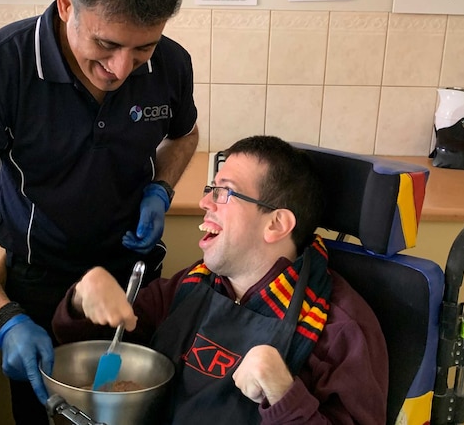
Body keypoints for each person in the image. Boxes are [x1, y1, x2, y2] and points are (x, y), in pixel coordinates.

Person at [0, 0, 198, 422]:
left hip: (134, 281)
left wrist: (161, 187)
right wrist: (3, 317)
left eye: (143, 48)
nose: (120, 69)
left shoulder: (171, 65)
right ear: (66, 1)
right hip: (41, 288)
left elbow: (184, 136)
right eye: (107, 44)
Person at [52, 136, 388, 424]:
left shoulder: (341, 329)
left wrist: (283, 393)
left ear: (276, 224)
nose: (204, 202)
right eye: (210, 189)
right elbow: (92, 350)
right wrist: (82, 299)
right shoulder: (192, 283)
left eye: (224, 193)